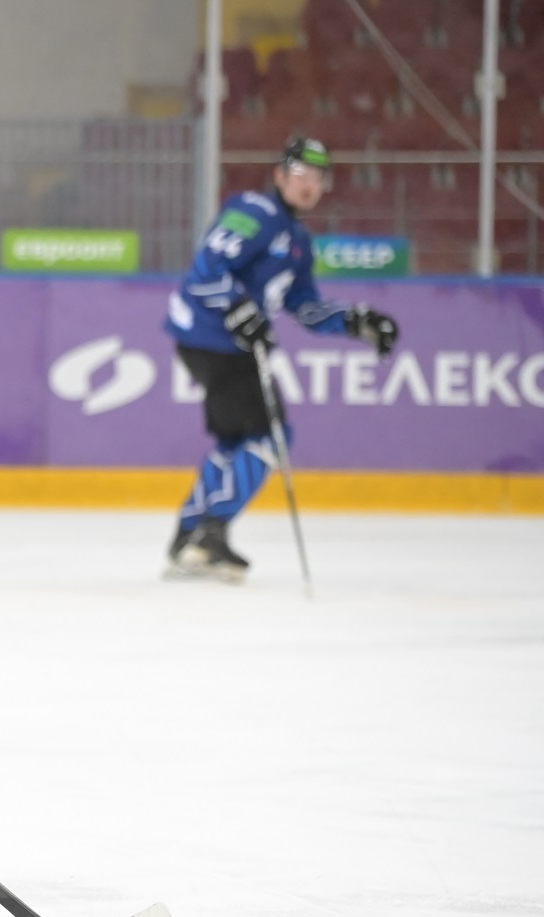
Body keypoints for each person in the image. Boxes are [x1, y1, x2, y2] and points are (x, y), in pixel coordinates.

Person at [162, 135, 399, 582]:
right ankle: (209, 535)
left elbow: (305, 307)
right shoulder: (254, 211)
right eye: (300, 174)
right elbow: (206, 268)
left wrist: (356, 321)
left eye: (318, 178)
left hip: (225, 344)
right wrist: (237, 307)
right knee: (270, 436)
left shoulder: (298, 241)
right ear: (279, 175)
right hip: (214, 338)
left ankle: (189, 535)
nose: (309, 184)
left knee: (235, 441)